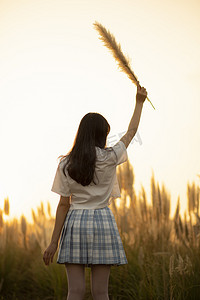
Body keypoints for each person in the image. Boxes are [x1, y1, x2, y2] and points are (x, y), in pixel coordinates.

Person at [43, 81, 147, 300]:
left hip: (75, 222)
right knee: (101, 293)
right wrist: (139, 103)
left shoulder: (66, 163)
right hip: (102, 221)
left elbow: (63, 204)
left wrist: (54, 242)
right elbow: (131, 132)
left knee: (75, 291)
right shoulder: (110, 157)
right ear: (102, 134)